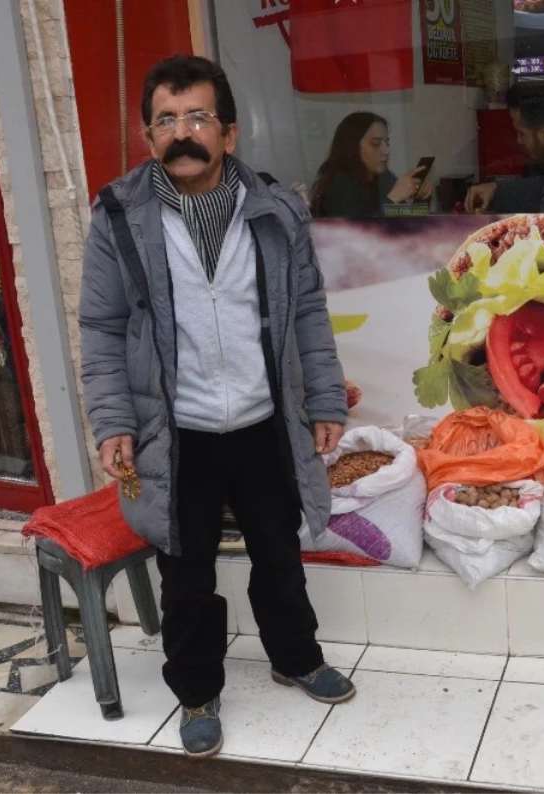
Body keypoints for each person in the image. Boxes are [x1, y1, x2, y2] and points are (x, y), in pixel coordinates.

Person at [78, 55, 355, 759]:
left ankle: (295, 656)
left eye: (197, 117)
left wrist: (322, 396)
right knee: (186, 571)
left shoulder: (277, 208)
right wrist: (113, 421)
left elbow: (308, 315)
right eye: (165, 120)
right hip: (177, 432)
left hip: (265, 420)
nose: (182, 133)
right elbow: (102, 328)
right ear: (148, 136)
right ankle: (196, 689)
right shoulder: (117, 216)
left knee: (278, 551)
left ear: (228, 131)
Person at [311, 112, 432, 218]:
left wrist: (421, 200)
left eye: (386, 143)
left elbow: (405, 219)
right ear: (352, 147)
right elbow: (359, 235)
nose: (386, 151)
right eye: (376, 144)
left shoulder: (384, 178)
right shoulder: (339, 183)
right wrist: (394, 197)